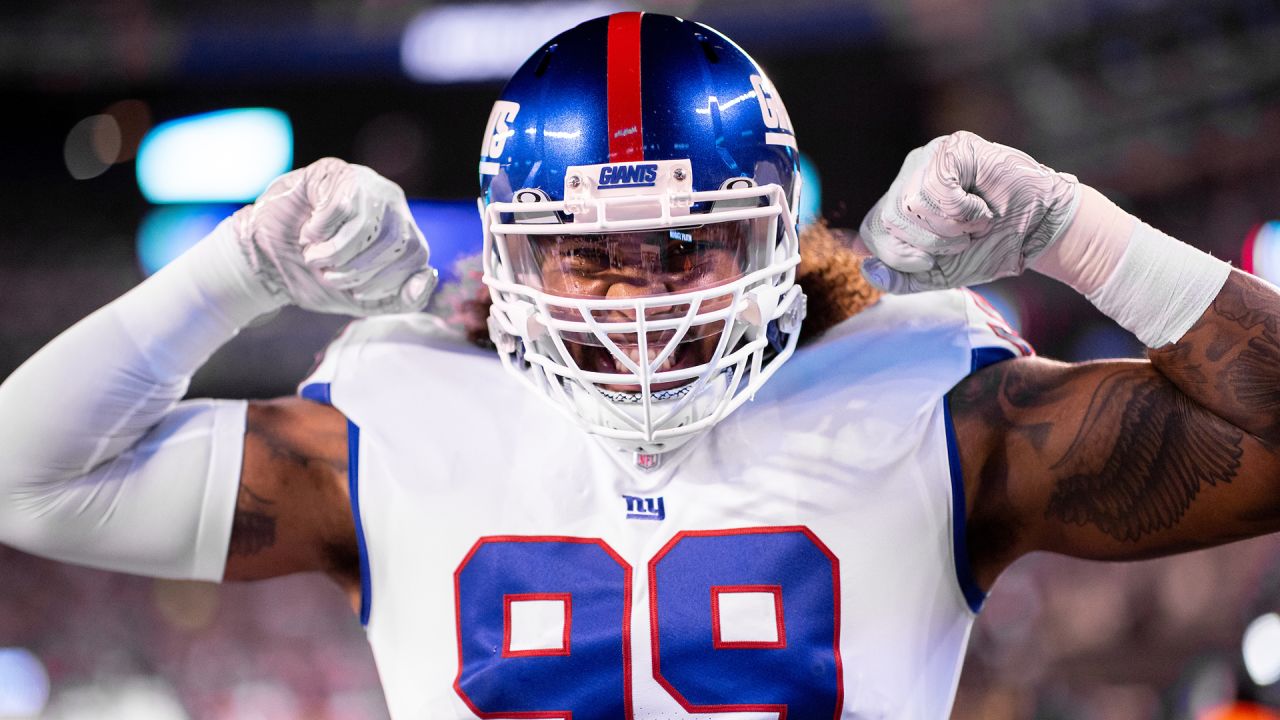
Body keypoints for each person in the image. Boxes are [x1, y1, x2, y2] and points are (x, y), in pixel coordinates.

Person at [1, 11, 1277, 719]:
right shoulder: (399, 412)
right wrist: (239, 266)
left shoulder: (924, 394)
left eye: (686, 243)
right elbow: (25, 478)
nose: (639, 298)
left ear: (777, 234)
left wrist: (1070, 224)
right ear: (508, 258)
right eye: (586, 255)